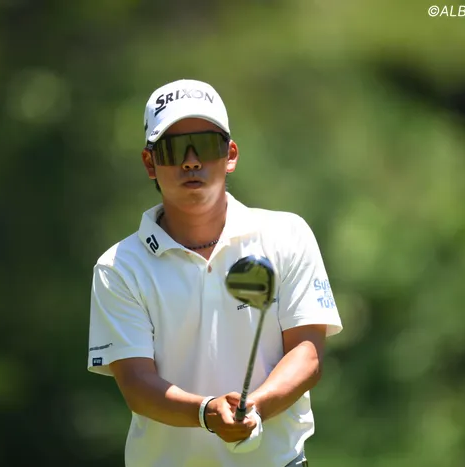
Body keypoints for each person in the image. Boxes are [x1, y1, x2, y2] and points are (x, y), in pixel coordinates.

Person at [86, 78, 343, 467]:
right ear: (150, 163)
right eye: (174, 149)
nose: (191, 161)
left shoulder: (287, 235)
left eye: (205, 145)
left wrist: (253, 408)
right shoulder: (119, 267)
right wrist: (207, 413)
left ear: (230, 154)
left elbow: (307, 353)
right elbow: (137, 384)